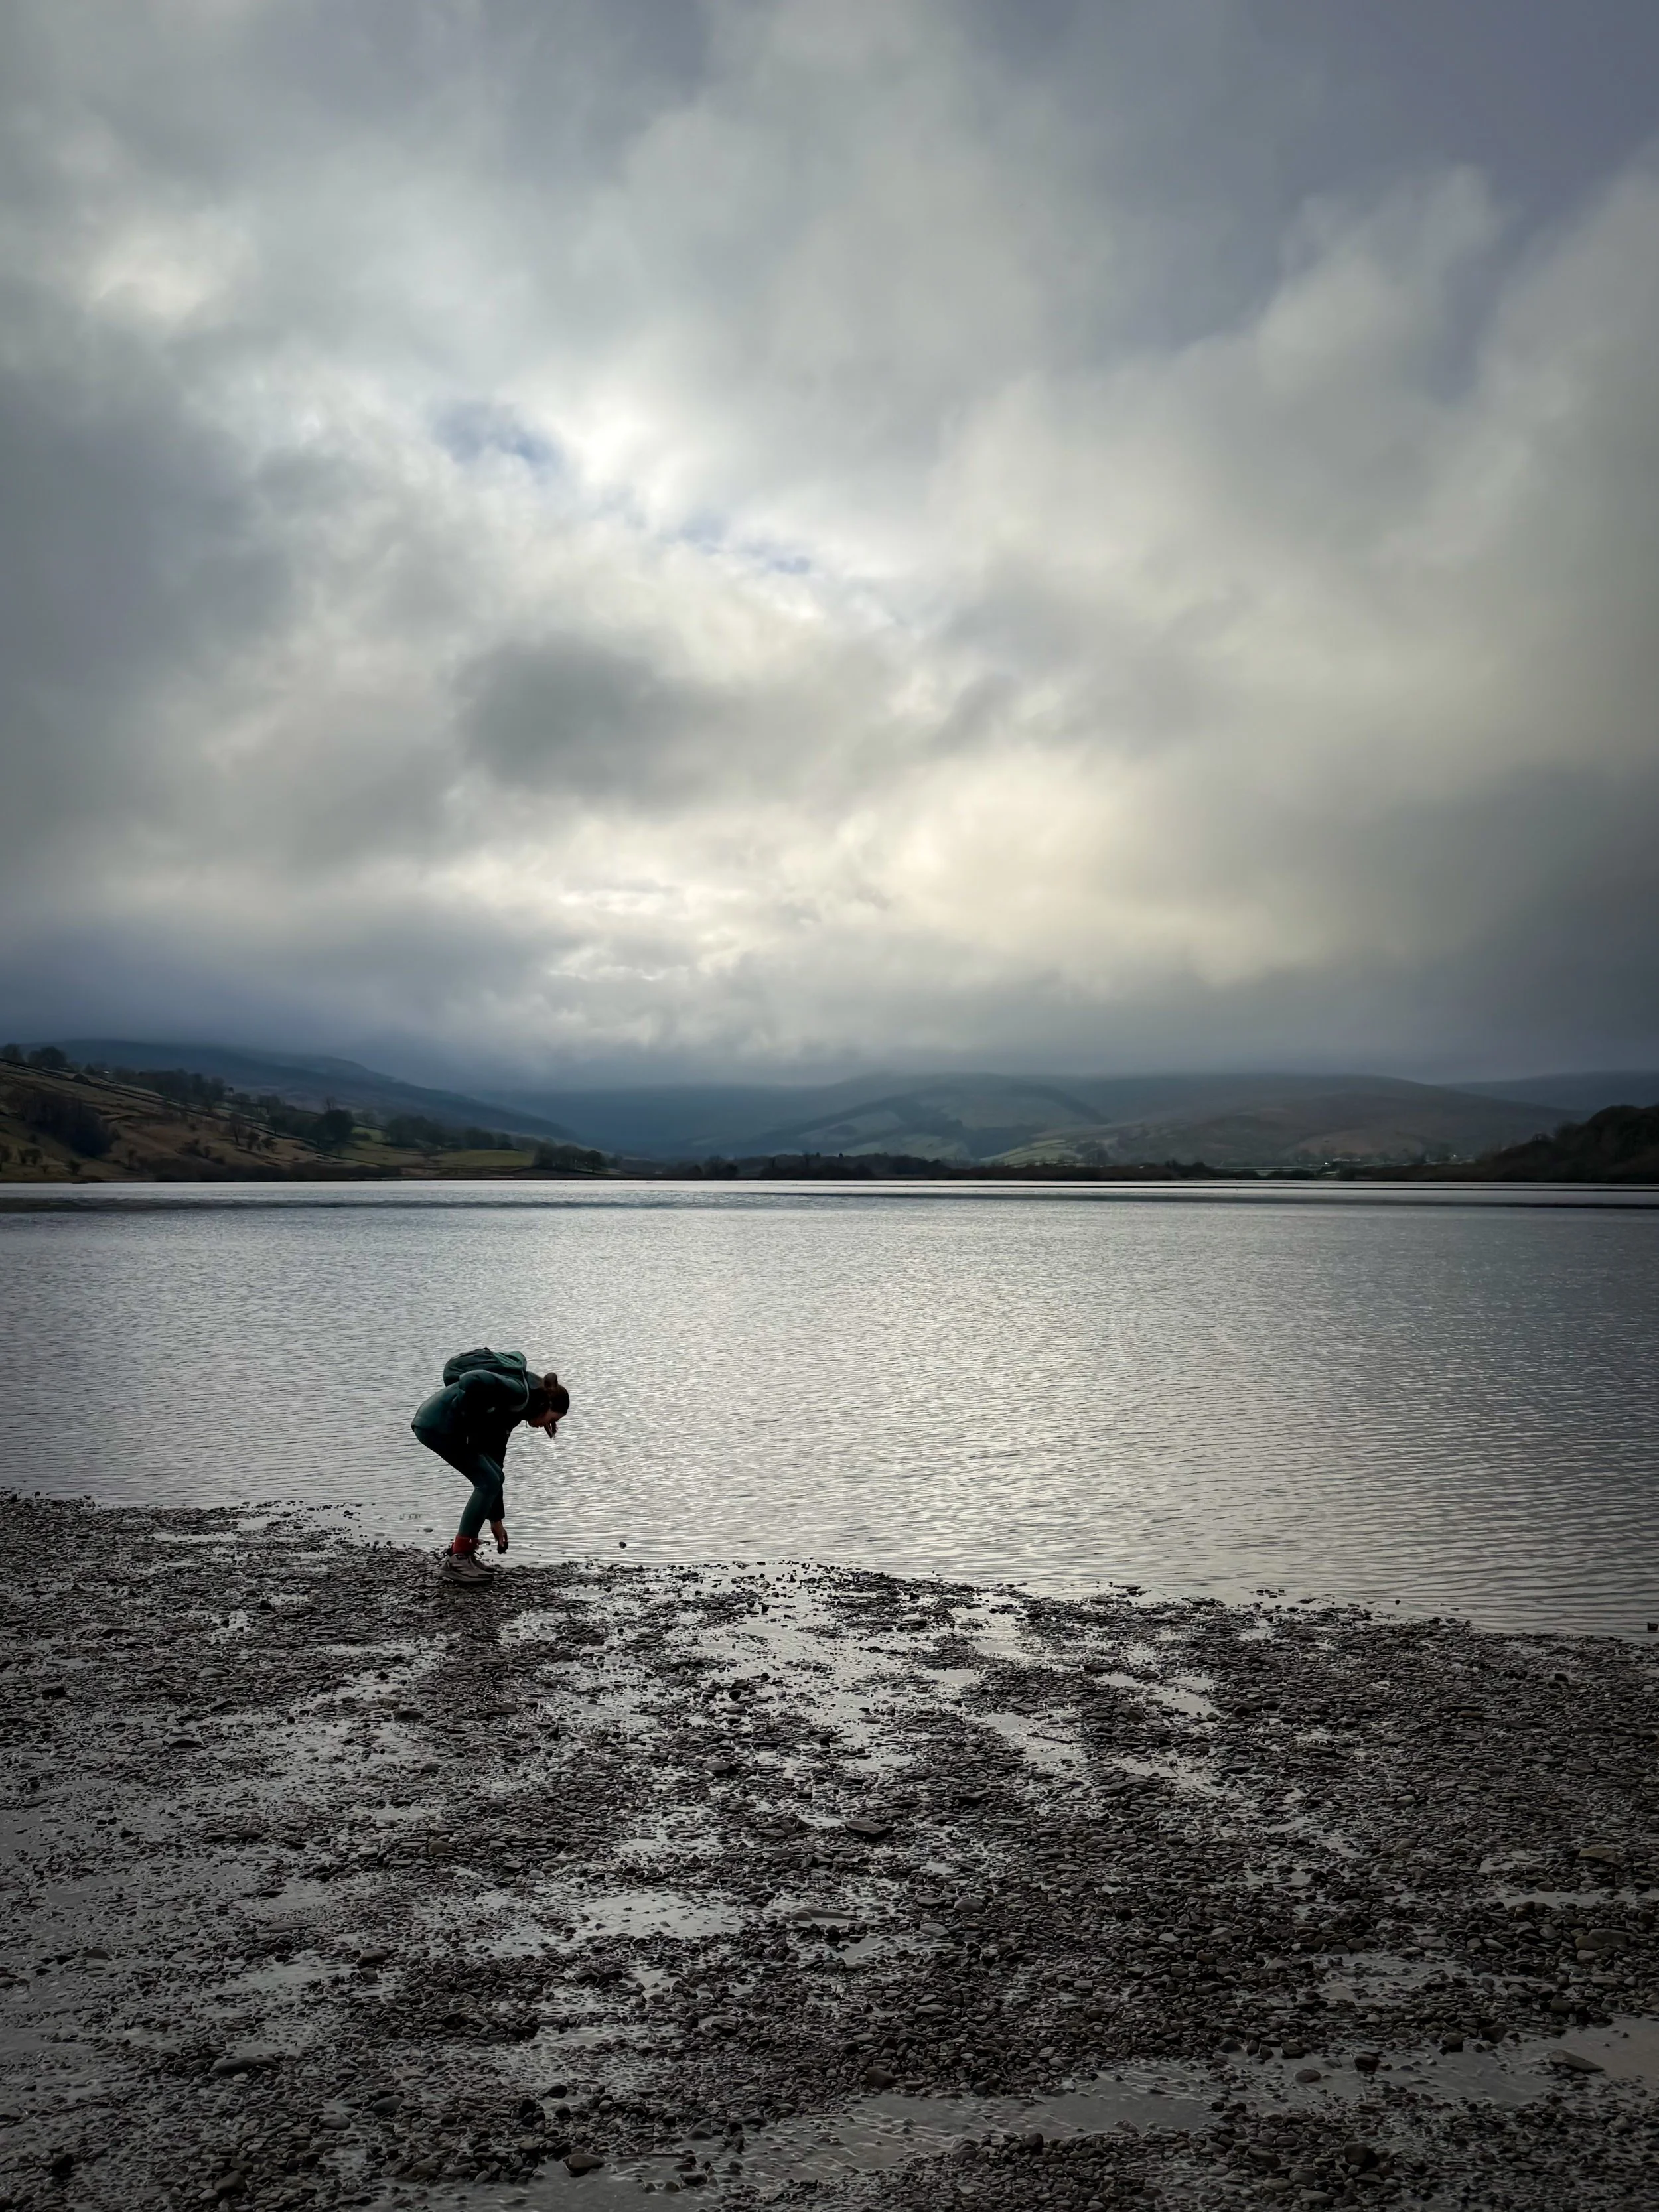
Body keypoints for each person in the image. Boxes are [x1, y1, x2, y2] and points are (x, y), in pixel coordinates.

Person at [411, 1350, 569, 1586]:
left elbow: (497, 1462)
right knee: (487, 1481)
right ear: (545, 1405)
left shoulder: (516, 1411)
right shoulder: (517, 1392)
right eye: (552, 1419)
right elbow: (471, 1380)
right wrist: (471, 1429)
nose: (549, 1426)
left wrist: (497, 1520)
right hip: (438, 1425)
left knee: (493, 1477)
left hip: (441, 1425)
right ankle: (458, 1560)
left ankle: (463, 1553)